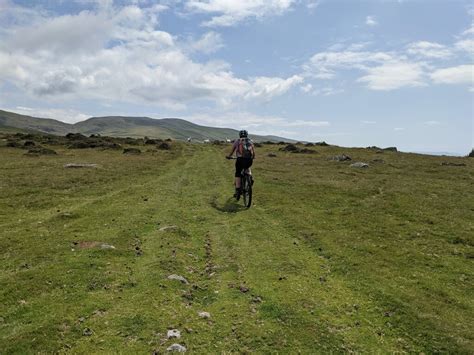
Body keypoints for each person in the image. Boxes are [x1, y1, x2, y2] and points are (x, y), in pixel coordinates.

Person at [226, 130, 255, 198]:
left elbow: (232, 150)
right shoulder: (250, 141)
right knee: (247, 168)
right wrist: (253, 157)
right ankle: (250, 178)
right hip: (249, 160)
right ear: (247, 135)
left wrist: (229, 156)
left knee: (238, 173)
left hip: (240, 160)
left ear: (239, 135)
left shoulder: (237, 141)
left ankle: (238, 190)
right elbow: (253, 151)